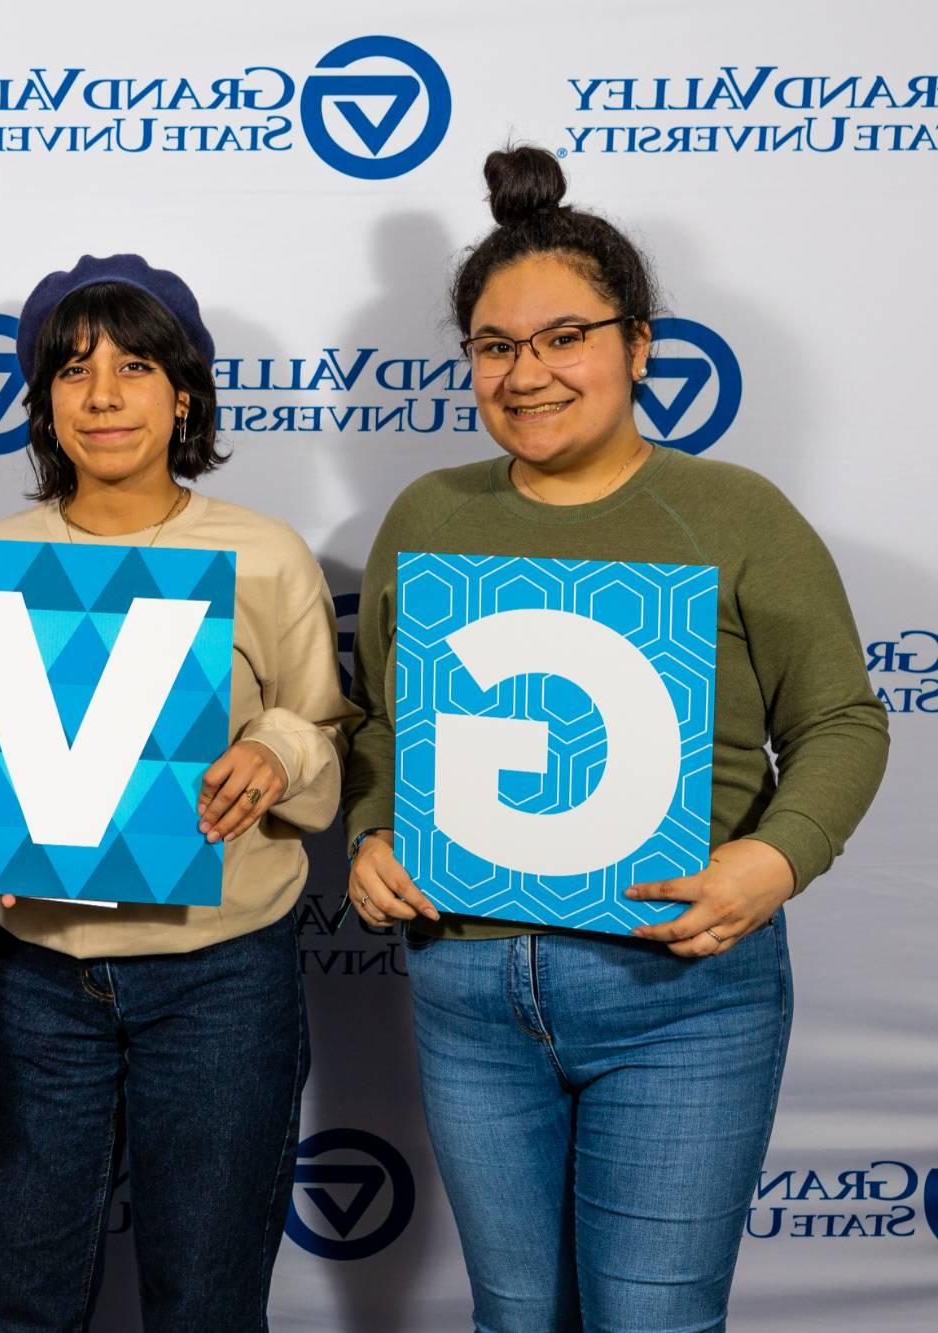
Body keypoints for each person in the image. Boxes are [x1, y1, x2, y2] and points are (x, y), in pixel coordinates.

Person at [341, 146, 890, 1331]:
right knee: (513, 1314)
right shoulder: (429, 514)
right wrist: (371, 825)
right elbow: (386, 717)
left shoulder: (738, 514)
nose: (525, 372)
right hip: (468, 990)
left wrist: (774, 856)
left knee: (650, 1319)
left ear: (636, 346)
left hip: (679, 992)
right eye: (494, 347)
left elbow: (840, 719)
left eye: (562, 337)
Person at [0, 255, 354, 1333]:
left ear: (182, 392)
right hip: (39, 977)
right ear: (40, 397)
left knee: (206, 1301)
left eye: (133, 366)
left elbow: (325, 723)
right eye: (73, 369)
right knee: (20, 1303)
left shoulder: (265, 555)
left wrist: (277, 746)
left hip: (220, 976)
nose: (101, 396)